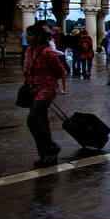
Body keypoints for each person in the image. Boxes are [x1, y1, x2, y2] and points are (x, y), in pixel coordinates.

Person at [23, 23, 66, 167]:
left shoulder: (47, 52)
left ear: (39, 36)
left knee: (33, 120)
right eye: (27, 34)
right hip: (33, 90)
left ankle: (51, 148)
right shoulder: (29, 51)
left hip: (46, 90)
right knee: (42, 122)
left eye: (30, 34)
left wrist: (46, 78)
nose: (27, 37)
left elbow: (60, 72)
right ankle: (47, 156)